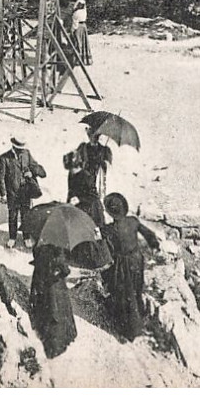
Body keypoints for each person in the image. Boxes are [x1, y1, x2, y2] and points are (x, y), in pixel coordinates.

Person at [101, 192, 160, 342]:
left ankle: (129, 330)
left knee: (124, 294)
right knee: (137, 288)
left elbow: (102, 243)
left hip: (123, 264)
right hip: (137, 260)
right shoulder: (133, 221)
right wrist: (155, 245)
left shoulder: (109, 229)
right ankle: (140, 316)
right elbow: (149, 234)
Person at [29, 242, 78, 359]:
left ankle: (46, 336)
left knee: (47, 309)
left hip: (41, 279)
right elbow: (63, 267)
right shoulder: (58, 244)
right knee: (57, 312)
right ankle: (56, 345)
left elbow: (36, 254)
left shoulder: (40, 240)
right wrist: (65, 271)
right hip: (54, 284)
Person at [0, 137, 46, 249]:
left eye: (23, 148)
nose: (22, 151)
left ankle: (26, 237)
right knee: (12, 216)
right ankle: (12, 237)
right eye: (19, 149)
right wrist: (3, 194)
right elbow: (0, 178)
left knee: (26, 215)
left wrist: (32, 173)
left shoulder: (27, 153)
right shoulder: (4, 158)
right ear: (13, 146)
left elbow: (36, 167)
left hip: (25, 192)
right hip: (12, 193)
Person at [64, 148, 105, 227]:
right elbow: (71, 191)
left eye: (73, 169)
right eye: (70, 169)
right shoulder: (71, 174)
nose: (72, 171)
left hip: (91, 211)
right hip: (78, 209)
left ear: (77, 166)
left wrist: (79, 199)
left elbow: (94, 197)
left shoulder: (86, 176)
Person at [74, 127, 113, 199]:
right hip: (83, 181)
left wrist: (102, 162)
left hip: (96, 181)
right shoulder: (83, 148)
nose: (93, 139)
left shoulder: (104, 150)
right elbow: (76, 164)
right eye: (91, 136)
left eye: (95, 136)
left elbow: (108, 167)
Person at [70, 0, 92, 65]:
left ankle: (78, 60)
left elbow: (75, 22)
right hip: (84, 26)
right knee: (84, 42)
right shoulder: (84, 11)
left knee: (78, 42)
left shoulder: (76, 13)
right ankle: (85, 60)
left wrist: (72, 30)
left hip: (78, 27)